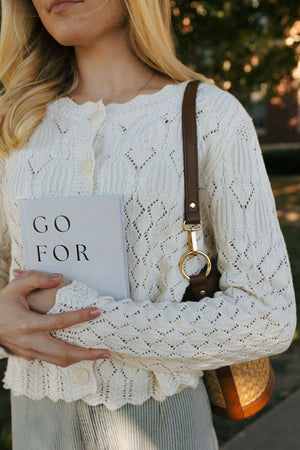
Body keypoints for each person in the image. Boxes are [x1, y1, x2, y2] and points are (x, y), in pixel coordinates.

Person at [0, 1, 296, 449]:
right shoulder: (15, 124)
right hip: (38, 428)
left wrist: (79, 316)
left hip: (165, 426)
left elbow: (268, 316)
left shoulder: (211, 117)